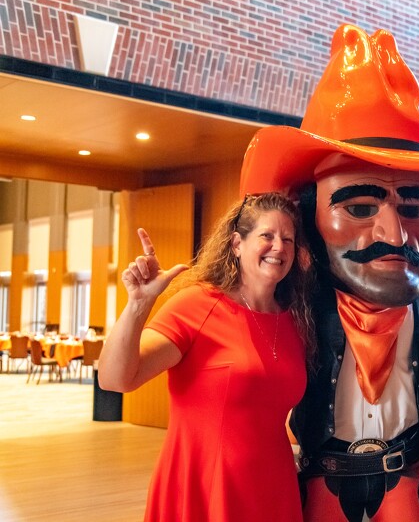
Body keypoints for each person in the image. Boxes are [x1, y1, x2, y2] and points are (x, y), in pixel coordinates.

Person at [238, 24, 419, 522]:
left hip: (407, 477)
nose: (395, 233)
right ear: (309, 212)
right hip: (324, 476)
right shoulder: (290, 300)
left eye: (413, 206)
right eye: (360, 205)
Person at [98, 192, 316, 522]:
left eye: (288, 239)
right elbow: (116, 379)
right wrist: (138, 306)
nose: (279, 247)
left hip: (273, 487)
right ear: (236, 243)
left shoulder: (296, 320)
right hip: (203, 486)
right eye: (267, 236)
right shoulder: (198, 305)